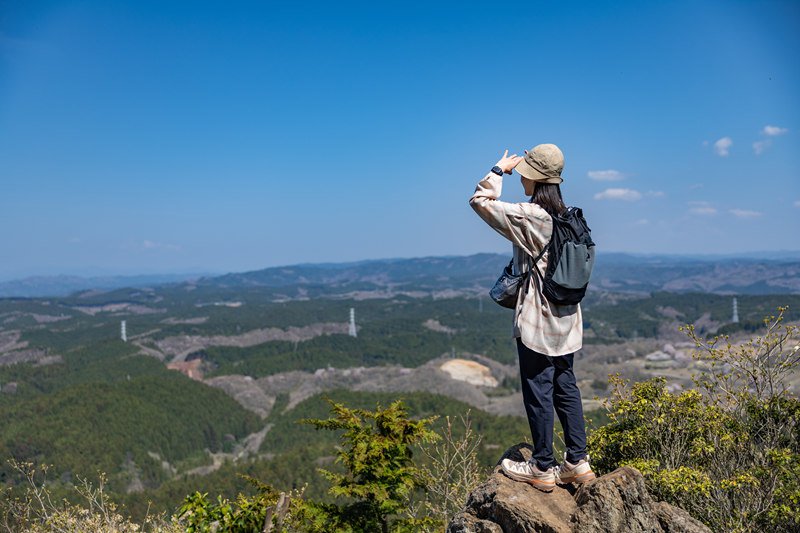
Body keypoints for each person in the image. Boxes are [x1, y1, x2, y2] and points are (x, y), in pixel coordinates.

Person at [469, 144, 595, 492]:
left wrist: (498, 169)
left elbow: (480, 202)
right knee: (565, 385)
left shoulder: (531, 216)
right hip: (567, 318)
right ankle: (577, 461)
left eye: (525, 171)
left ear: (534, 177)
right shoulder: (570, 216)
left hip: (538, 320)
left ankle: (541, 466)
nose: (521, 175)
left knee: (538, 389)